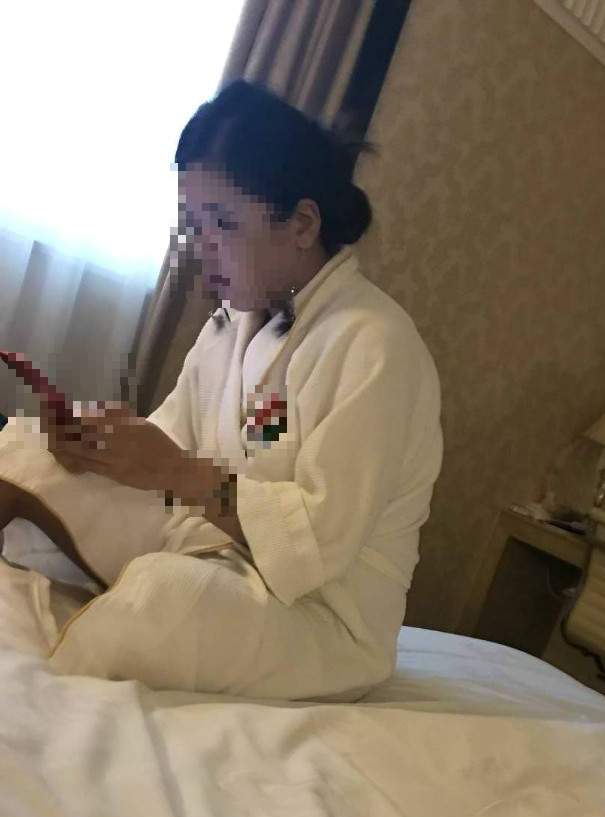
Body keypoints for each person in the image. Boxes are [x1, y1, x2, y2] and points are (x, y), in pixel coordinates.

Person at [0, 80, 443, 701]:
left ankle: (38, 700)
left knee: (163, 598)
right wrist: (99, 446)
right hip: (216, 545)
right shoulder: (234, 323)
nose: (199, 249)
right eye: (193, 225)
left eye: (222, 224)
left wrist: (174, 470)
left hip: (320, 615)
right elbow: (169, 446)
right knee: (23, 455)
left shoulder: (374, 346)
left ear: (302, 223)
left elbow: (316, 542)